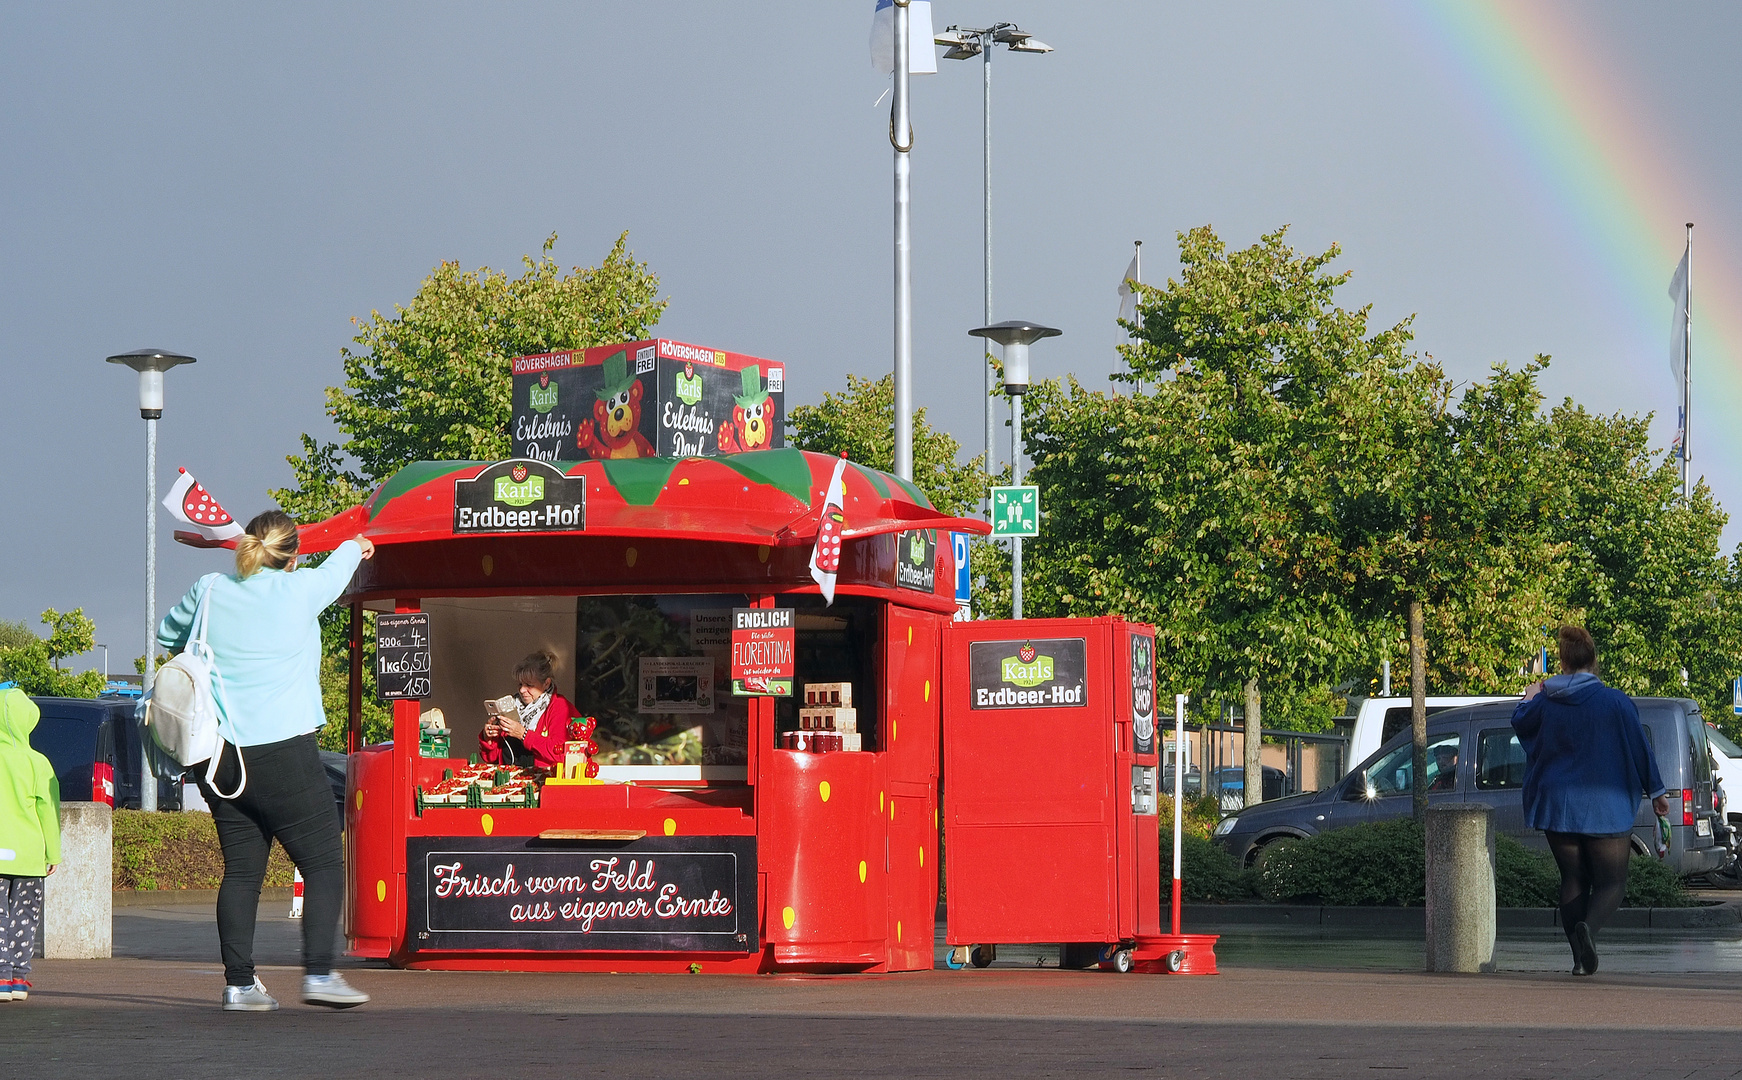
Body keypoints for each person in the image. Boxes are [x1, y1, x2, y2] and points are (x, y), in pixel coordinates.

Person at [159, 511, 375, 1011]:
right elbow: (344, 557)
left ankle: (239, 986)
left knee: (241, 871)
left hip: (218, 759)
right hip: (284, 753)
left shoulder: (209, 589)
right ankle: (319, 975)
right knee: (322, 862)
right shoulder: (300, 591)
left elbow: (169, 638)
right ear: (293, 557)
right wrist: (358, 541)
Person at [1512, 625, 1669, 976]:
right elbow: (1639, 748)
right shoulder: (1615, 701)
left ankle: (1579, 960)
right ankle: (1589, 931)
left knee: (1573, 878)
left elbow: (1520, 722)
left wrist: (1531, 694)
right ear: (1594, 660)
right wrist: (1656, 793)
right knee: (1612, 882)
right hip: (1606, 804)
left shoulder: (1546, 702)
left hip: (1557, 804)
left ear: (1563, 663)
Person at [0, 685, 59, 1003]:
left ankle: (0, 976)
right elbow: (48, 810)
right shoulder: (38, 763)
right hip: (29, 854)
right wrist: (53, 852)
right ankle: (19, 979)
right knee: (25, 915)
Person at [478, 651, 575, 771]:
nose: (522, 690)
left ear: (546, 683)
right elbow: (491, 757)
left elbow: (562, 753)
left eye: (529, 685)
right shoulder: (512, 705)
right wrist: (489, 738)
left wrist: (523, 735)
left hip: (540, 780)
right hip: (509, 780)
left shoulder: (560, 707)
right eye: (520, 684)